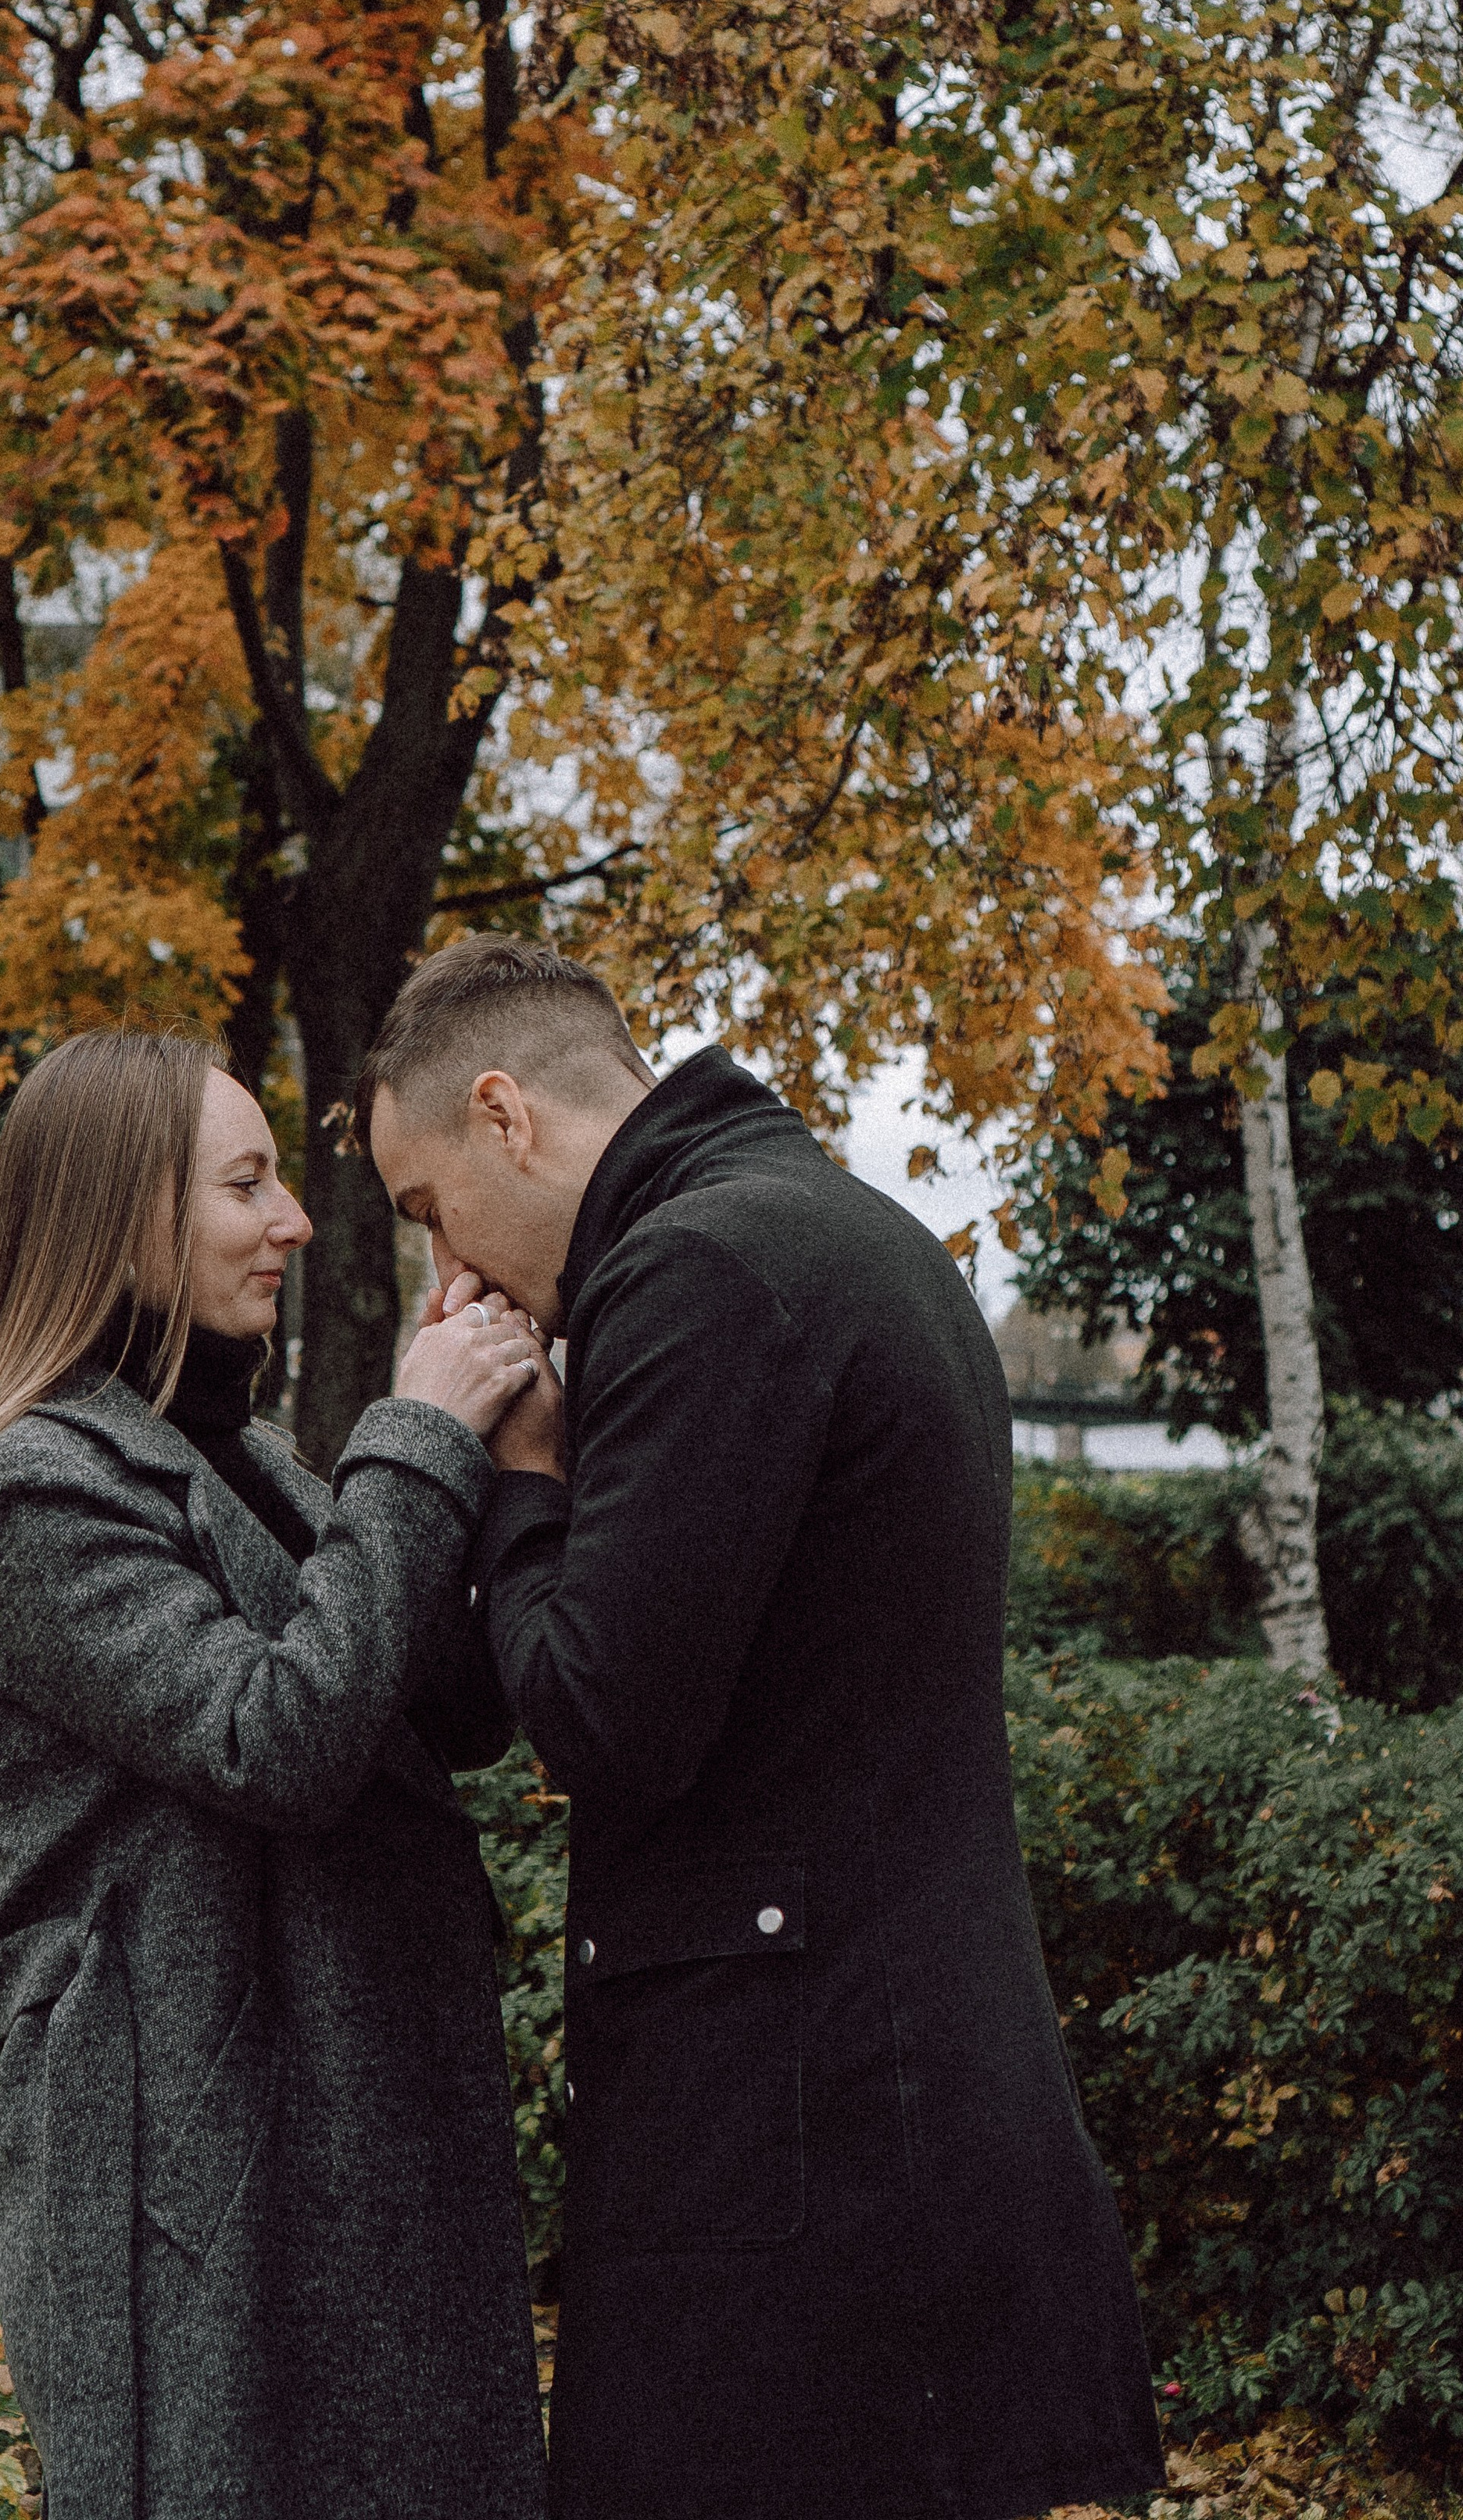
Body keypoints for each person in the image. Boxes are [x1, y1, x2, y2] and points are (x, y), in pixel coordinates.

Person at [358, 937, 1167, 2520]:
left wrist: (522, 1470)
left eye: (423, 1206)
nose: (439, 1268)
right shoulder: (844, 1231)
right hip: (888, 2103)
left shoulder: (696, 1270)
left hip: (794, 2147)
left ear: (506, 1118)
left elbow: (598, 1716)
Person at [0, 1028, 549, 2520]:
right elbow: (277, 1737)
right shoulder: (43, 1484)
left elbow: (442, 1711)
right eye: (246, 1184)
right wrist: (419, 1438)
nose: (296, 1220)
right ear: (126, 1220)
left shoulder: (240, 1453)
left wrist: (502, 1462)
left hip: (334, 2105)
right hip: (190, 2156)